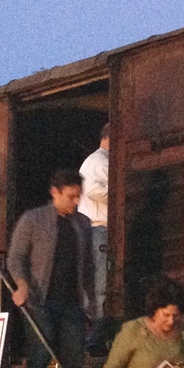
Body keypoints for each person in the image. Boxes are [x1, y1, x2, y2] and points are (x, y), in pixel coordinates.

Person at [8, 169, 96, 368]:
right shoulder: (33, 220)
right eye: (71, 196)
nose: (76, 202)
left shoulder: (83, 224)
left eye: (79, 196)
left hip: (72, 303)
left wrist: (90, 302)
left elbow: (87, 265)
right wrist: (22, 285)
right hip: (40, 301)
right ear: (54, 193)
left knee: (74, 360)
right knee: (38, 355)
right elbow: (16, 258)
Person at [79, 123, 110, 338]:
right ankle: (95, 335)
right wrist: (117, 192)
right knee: (99, 285)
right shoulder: (99, 161)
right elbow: (93, 189)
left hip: (96, 229)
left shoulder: (96, 161)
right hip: (98, 227)